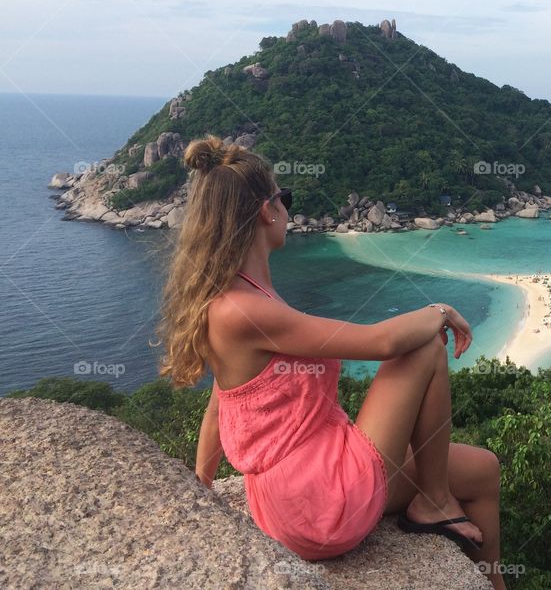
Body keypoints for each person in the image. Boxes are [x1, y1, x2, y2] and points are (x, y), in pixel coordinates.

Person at [154, 135, 507, 589]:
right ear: (268, 210)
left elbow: (223, 401)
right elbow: (381, 342)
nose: (289, 210)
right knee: (422, 345)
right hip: (319, 501)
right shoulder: (245, 310)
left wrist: (201, 487)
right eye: (287, 199)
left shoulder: (236, 299)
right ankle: (434, 501)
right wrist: (440, 311)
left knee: (483, 469)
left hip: (300, 494)